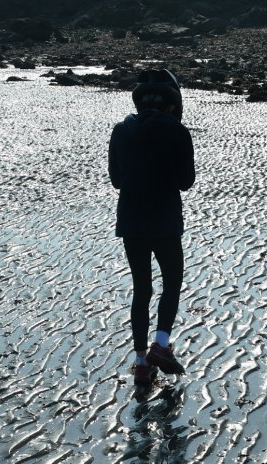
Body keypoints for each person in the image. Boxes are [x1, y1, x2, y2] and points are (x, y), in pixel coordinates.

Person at [109, 68, 195, 387]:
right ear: (173, 102)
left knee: (141, 289)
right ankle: (161, 345)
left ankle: (141, 362)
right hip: (165, 221)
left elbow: (117, 180)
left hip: (131, 221)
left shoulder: (121, 130)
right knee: (171, 284)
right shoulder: (177, 130)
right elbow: (186, 182)